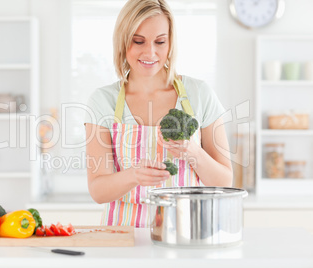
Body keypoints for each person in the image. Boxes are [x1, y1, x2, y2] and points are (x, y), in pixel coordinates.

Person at [84, 0, 232, 227]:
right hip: (125, 237)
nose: (150, 52)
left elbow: (224, 181)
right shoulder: (103, 100)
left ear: (170, 43)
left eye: (160, 41)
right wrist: (134, 175)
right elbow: (98, 191)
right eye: (138, 41)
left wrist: (192, 151)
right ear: (123, 42)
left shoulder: (199, 94)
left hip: (187, 234)